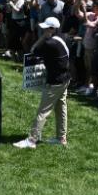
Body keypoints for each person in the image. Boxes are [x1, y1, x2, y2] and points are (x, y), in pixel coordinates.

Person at [14, 17, 70, 148]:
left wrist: (43, 37)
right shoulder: (63, 38)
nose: (42, 30)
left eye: (45, 28)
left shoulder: (49, 43)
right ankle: (61, 139)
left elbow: (33, 50)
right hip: (65, 79)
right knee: (61, 108)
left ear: (52, 29)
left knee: (43, 111)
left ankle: (31, 140)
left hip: (55, 82)